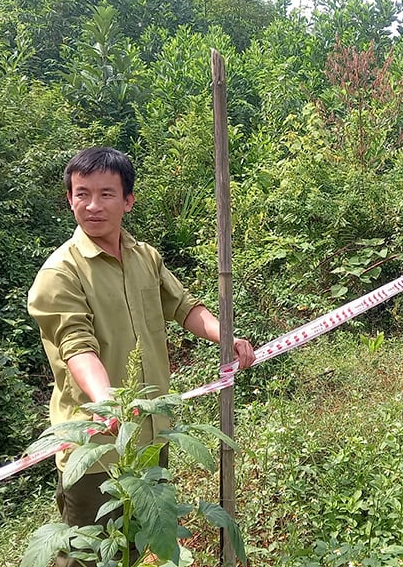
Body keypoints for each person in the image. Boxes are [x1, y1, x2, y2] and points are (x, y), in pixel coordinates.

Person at [27, 147, 255, 565]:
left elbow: (185, 307)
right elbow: (77, 348)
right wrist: (110, 404)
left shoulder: (144, 257)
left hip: (150, 434)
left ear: (128, 200)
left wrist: (229, 338)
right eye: (82, 194)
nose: (93, 205)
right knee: (88, 553)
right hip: (96, 444)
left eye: (106, 194)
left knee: (135, 541)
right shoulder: (60, 273)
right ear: (69, 199)